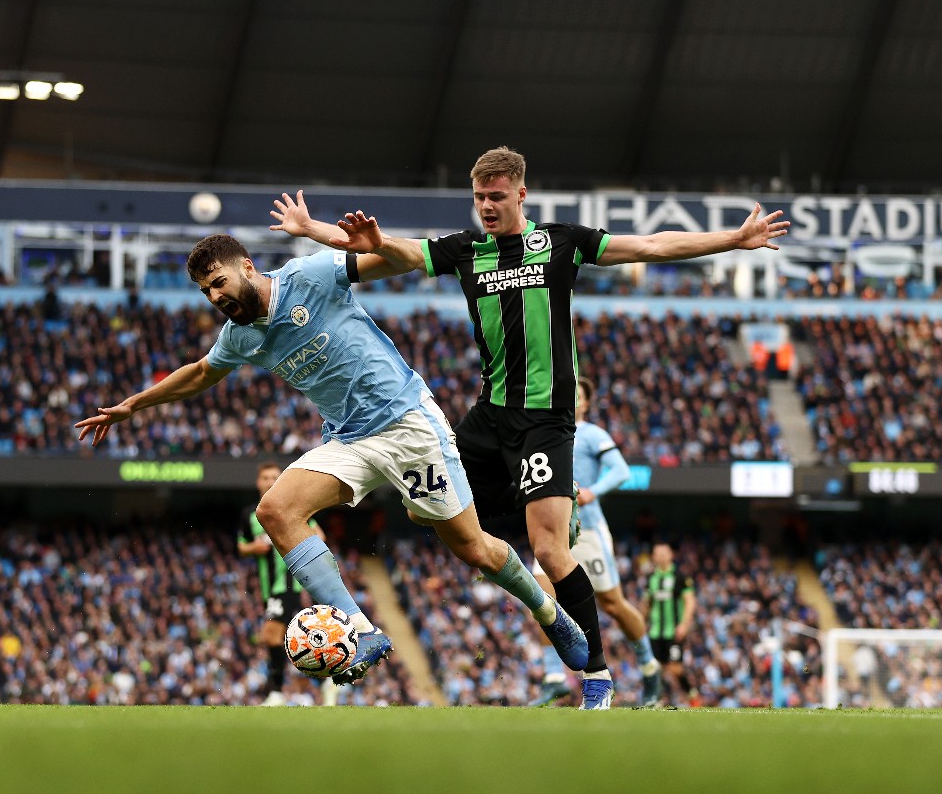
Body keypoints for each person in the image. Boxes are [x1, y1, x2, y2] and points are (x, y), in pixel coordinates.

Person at [269, 146, 788, 709]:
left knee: (550, 549)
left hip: (544, 420)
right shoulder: (466, 251)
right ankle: (544, 540)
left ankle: (596, 675)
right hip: (488, 416)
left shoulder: (561, 241)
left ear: (521, 194)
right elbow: (388, 248)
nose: (486, 207)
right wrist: (312, 230)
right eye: (478, 198)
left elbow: (653, 245)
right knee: (430, 513)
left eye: (496, 196)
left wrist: (732, 240)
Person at [74, 231, 589, 686]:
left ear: (246, 266)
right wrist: (132, 406)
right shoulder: (240, 335)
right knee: (275, 511)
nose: (215, 295)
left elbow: (392, 263)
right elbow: (202, 372)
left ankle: (548, 611)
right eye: (206, 291)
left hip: (407, 425)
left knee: (474, 549)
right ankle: (361, 631)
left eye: (218, 281)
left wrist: (374, 244)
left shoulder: (309, 275)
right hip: (348, 440)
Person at [528, 379, 662, 707]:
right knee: (541, 598)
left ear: (587, 403)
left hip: (587, 532)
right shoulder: (545, 434)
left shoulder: (591, 434)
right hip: (552, 532)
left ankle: (649, 665)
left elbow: (620, 470)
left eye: (578, 395)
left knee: (613, 605)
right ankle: (554, 678)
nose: (571, 399)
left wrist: (592, 491)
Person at [237, 460, 336, 706]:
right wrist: (254, 548)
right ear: (258, 482)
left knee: (272, 635)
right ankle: (324, 683)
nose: (270, 482)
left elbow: (320, 536)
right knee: (285, 637)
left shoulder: (290, 509)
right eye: (265, 478)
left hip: (291, 583)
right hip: (268, 587)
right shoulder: (250, 515)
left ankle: (277, 692)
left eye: (274, 477)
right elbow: (241, 546)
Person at [643, 542, 696, 705]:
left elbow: (690, 601)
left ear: (671, 555)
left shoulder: (680, 577)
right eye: (657, 553)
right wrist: (642, 621)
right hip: (655, 631)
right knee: (655, 668)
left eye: (663, 553)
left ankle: (693, 695)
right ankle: (657, 699)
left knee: (675, 669)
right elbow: (647, 602)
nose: (660, 556)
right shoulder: (651, 578)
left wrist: (684, 624)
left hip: (673, 631)